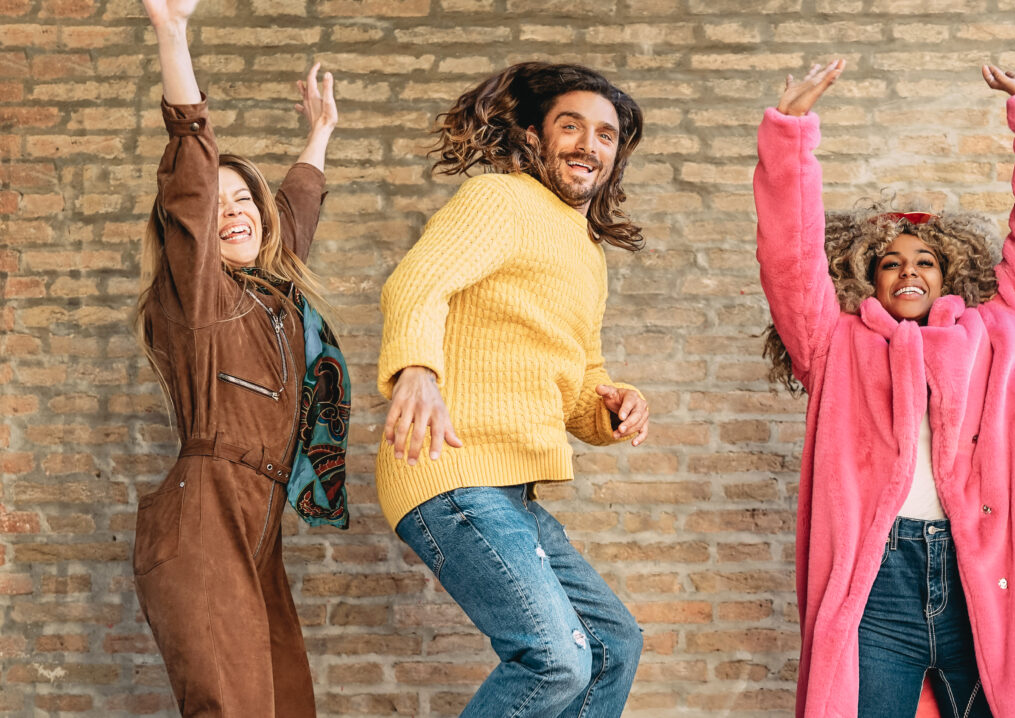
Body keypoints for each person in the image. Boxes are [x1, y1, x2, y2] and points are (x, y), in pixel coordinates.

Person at [755, 59, 1015, 717]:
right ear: (866, 279)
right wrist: (790, 132)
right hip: (879, 582)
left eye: (925, 261)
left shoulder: (1000, 329)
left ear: (949, 273)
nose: (908, 271)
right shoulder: (834, 344)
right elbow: (789, 259)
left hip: (980, 572)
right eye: (890, 263)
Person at [376, 62, 651, 718]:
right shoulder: (500, 199)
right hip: (453, 468)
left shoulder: (586, 252)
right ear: (534, 135)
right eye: (571, 126)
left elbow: (581, 380)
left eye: (606, 134)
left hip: (512, 492)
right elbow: (416, 282)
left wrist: (615, 405)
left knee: (613, 645)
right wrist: (417, 370)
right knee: (554, 658)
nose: (589, 144)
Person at [131, 0, 348, 714]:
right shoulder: (200, 299)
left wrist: (318, 137)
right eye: (217, 204)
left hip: (258, 526)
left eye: (245, 199)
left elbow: (295, 214)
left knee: (288, 704)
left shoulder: (275, 303)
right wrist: (174, 38)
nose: (233, 211)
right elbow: (190, 182)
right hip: (204, 520)